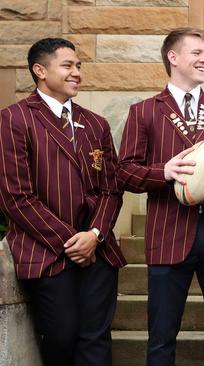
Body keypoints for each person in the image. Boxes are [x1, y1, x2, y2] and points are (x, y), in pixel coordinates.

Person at [117, 27, 204, 366]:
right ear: (173, 57)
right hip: (168, 234)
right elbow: (124, 171)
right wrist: (163, 173)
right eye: (197, 53)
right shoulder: (145, 111)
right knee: (162, 336)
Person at [0, 37, 126, 366]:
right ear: (39, 70)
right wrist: (72, 242)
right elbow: (16, 196)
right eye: (68, 65)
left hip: (98, 250)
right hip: (46, 252)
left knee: (96, 339)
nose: (77, 73)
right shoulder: (14, 120)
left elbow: (112, 189)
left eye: (79, 66)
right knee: (62, 336)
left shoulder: (96, 124)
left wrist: (95, 235)